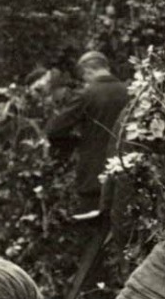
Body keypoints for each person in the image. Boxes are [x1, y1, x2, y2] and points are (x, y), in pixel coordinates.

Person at [46, 51, 130, 222]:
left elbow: (54, 130)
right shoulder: (130, 92)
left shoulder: (87, 94)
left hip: (93, 175)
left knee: (92, 233)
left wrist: (76, 142)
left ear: (88, 71)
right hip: (127, 171)